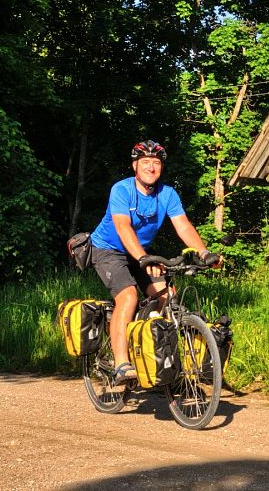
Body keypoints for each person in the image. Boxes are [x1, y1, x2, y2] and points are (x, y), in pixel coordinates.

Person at [89, 139, 217, 383]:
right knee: (128, 296)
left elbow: (183, 226)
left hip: (140, 251)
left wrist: (203, 252)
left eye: (156, 162)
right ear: (135, 166)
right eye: (145, 162)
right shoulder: (122, 190)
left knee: (166, 294)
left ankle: (148, 349)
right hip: (107, 249)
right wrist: (144, 259)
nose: (151, 167)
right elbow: (123, 227)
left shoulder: (167, 194)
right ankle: (121, 363)